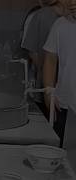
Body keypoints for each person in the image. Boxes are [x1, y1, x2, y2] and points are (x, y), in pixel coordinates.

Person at [21, 0, 66, 118]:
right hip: (47, 89)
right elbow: (32, 51)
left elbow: (32, 51)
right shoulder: (41, 16)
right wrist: (44, 70)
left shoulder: (66, 20)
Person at [43, 0, 76, 147]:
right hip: (64, 105)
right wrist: (49, 91)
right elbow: (50, 59)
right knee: (65, 159)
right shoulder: (60, 24)